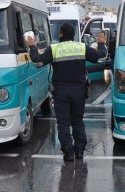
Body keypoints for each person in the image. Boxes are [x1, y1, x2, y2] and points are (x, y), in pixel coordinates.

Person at [25, 22, 107, 162]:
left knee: (63, 123)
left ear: (60, 34)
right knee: (77, 121)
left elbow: (38, 62)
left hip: (61, 91)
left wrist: (32, 46)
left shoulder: (54, 48)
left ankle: (68, 153)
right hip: (78, 91)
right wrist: (101, 43)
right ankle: (80, 151)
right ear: (73, 35)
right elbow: (100, 57)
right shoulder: (81, 47)